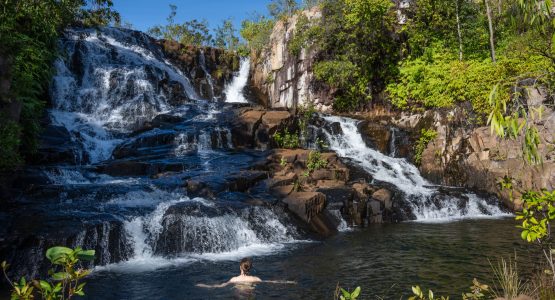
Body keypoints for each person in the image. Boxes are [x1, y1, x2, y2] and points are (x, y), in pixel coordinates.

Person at [196, 257, 261, 288]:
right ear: (250, 268)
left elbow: (220, 286)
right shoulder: (255, 279)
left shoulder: (234, 279)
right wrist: (271, 282)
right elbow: (266, 281)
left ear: (240, 267)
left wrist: (206, 285)